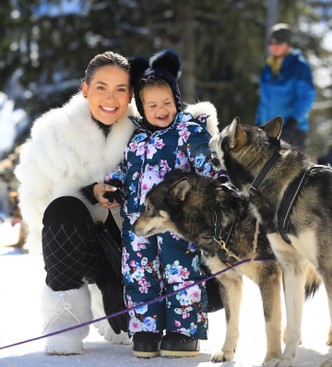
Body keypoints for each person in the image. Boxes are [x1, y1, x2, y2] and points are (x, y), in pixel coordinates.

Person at [100, 49, 227, 358]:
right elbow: (126, 168)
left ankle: (183, 331)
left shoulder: (187, 130)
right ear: (142, 107)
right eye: (152, 104)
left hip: (177, 223)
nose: (161, 110)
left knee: (180, 272)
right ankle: (145, 329)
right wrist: (113, 182)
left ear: (177, 100)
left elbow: (203, 158)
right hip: (138, 222)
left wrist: (218, 177)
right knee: (139, 273)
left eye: (167, 102)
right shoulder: (137, 137)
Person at [14, 51, 137, 354]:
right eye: (101, 87)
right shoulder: (54, 134)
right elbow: (39, 207)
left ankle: (138, 302)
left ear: (131, 93)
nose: (111, 98)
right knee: (62, 208)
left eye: (121, 89)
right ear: (85, 89)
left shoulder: (148, 129)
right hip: (83, 250)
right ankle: (65, 315)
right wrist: (87, 193)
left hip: (141, 255)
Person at [255, 23, 316, 151]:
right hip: (268, 130)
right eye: (271, 43)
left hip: (292, 131)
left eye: (279, 42)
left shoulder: (299, 66)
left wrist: (293, 121)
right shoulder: (268, 67)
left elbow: (307, 97)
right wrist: (258, 123)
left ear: (288, 44)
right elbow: (264, 99)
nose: (274, 46)